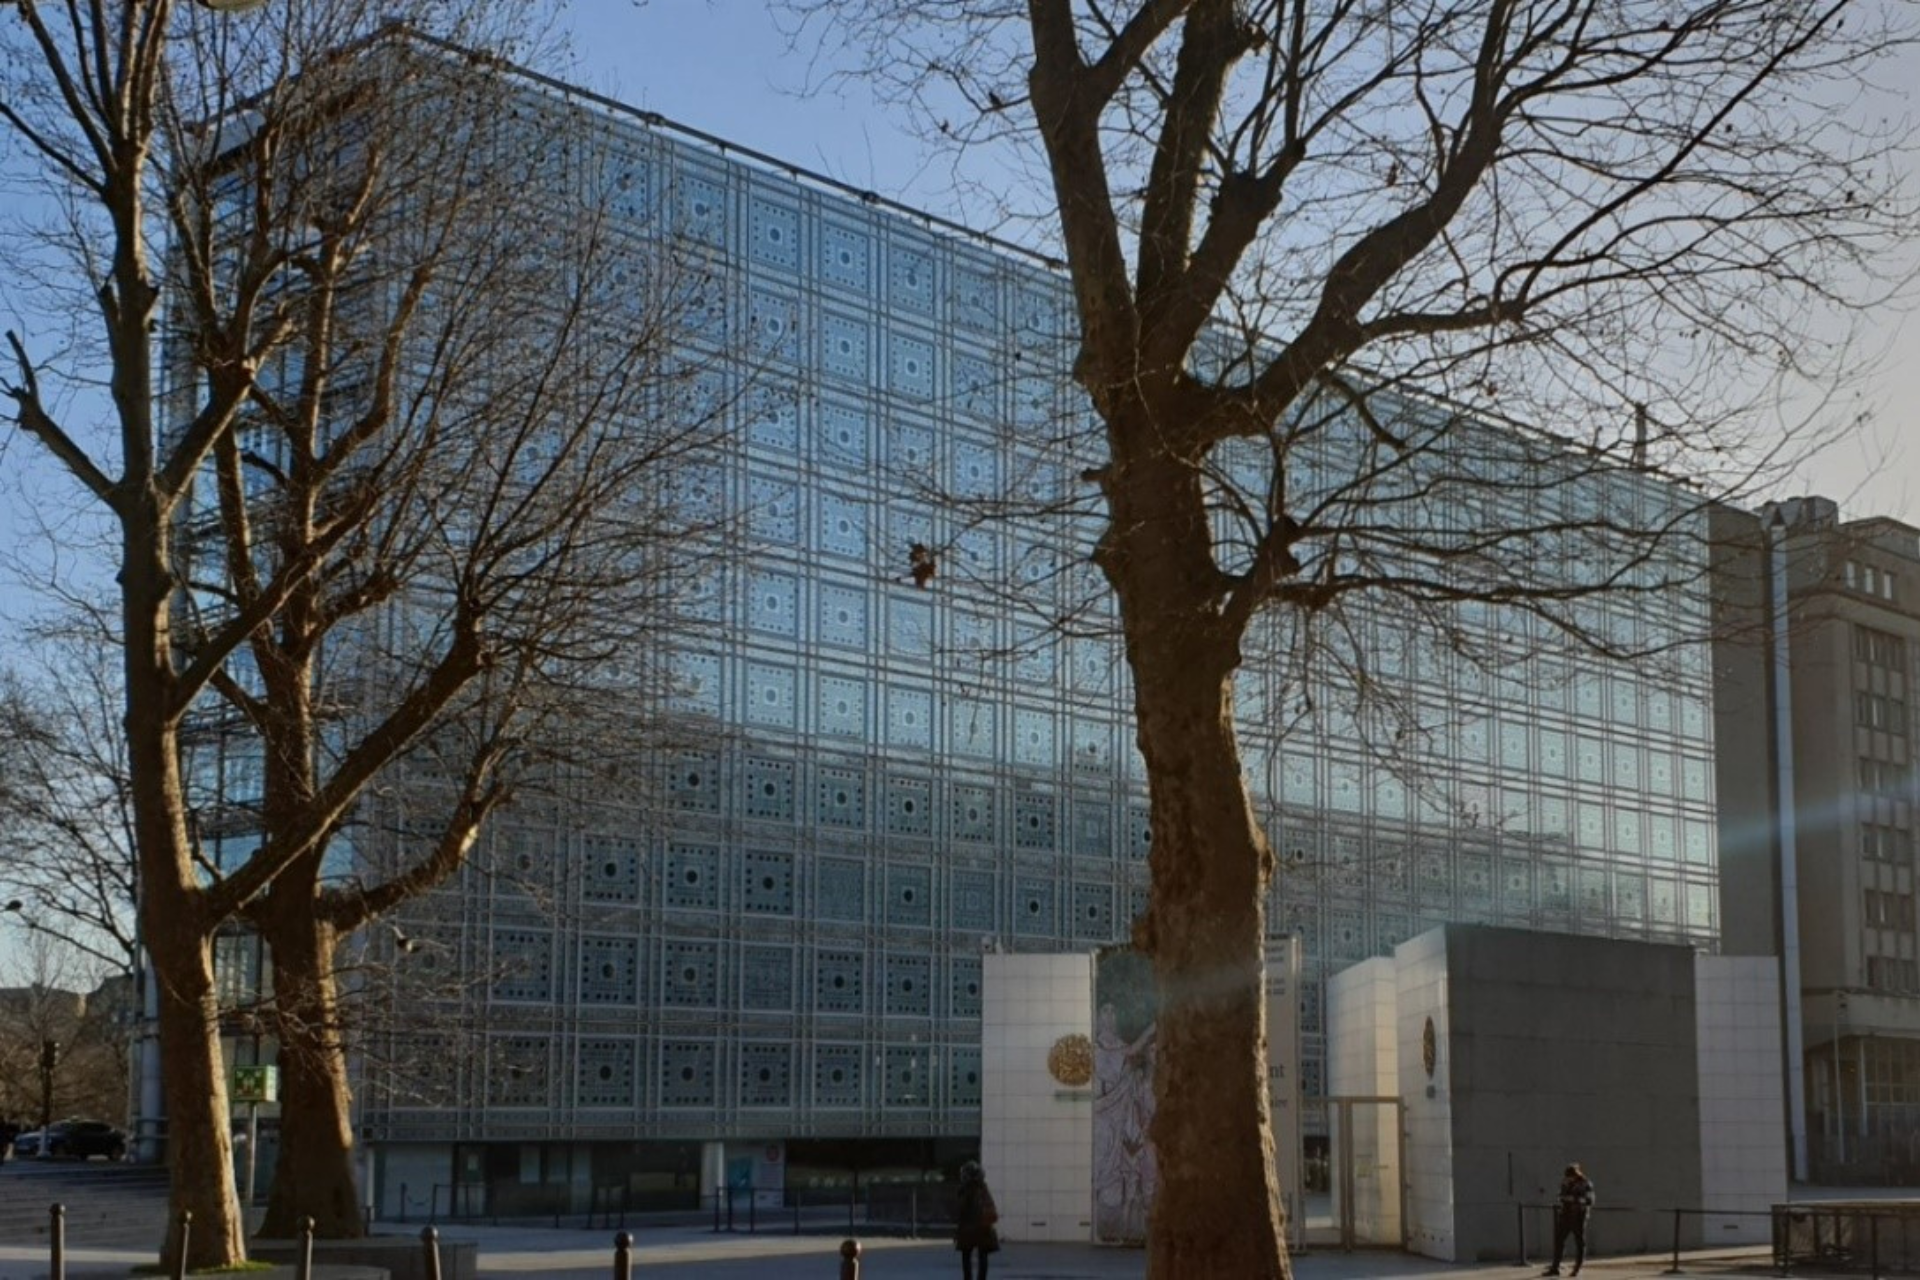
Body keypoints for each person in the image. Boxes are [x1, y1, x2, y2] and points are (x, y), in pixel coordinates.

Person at [1545, 1162, 1595, 1276]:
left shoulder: (1585, 1183)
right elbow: (1560, 1196)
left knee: (1579, 1242)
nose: (1569, 1179)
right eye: (1567, 1177)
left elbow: (1590, 1200)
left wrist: (1573, 1199)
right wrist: (1564, 1197)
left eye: (1571, 1176)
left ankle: (1577, 1268)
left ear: (1576, 1174)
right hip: (1565, 1215)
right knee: (1559, 1240)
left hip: (1579, 1216)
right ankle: (1555, 1267)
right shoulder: (1566, 1183)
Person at [953, 1159, 1000, 1280]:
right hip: (982, 1226)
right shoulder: (983, 1188)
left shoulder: (964, 1189)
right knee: (982, 1255)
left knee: (966, 1256)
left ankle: (968, 1278)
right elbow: (991, 1205)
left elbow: (959, 1209)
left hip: (967, 1228)